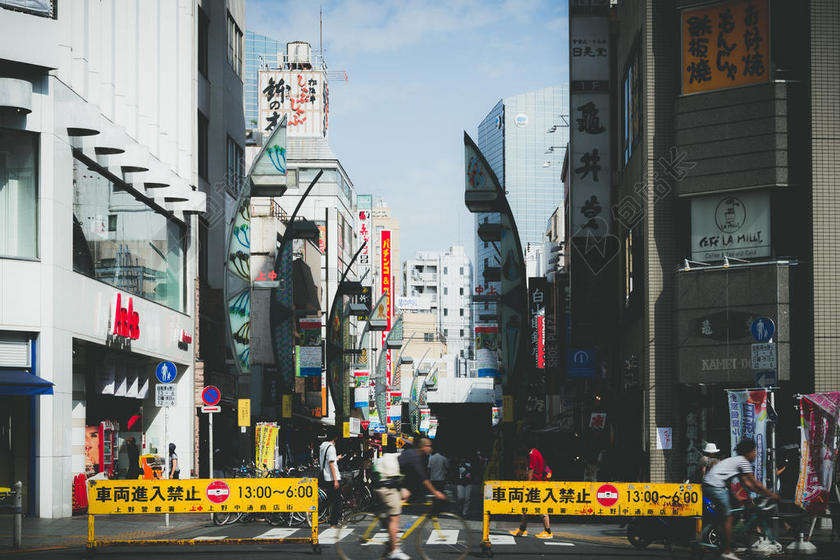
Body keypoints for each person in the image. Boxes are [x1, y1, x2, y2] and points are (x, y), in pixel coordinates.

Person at [703, 438, 779, 560]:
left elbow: (747, 484)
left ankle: (730, 537)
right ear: (747, 452)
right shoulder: (743, 461)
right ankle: (727, 551)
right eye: (754, 451)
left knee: (738, 506)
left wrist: (760, 493)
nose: (755, 454)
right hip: (715, 486)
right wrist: (771, 494)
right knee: (728, 516)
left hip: (710, 485)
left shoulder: (736, 461)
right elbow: (755, 482)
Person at [373, 440, 408, 560]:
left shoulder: (380, 459)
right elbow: (399, 477)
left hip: (379, 490)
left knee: (387, 517)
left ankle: (390, 544)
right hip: (389, 489)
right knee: (395, 518)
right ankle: (394, 550)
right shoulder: (397, 457)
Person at [510, 442, 552, 539]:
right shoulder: (536, 452)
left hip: (535, 484)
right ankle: (522, 529)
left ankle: (548, 531)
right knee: (526, 506)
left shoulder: (532, 454)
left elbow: (531, 470)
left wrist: (527, 484)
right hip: (536, 483)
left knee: (541, 508)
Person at [319, 428, 343, 528]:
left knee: (330, 499)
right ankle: (333, 523)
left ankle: (317, 512)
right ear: (335, 437)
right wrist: (336, 480)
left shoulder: (323, 446)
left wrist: (336, 458)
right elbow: (331, 464)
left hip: (325, 476)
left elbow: (328, 460)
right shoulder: (331, 447)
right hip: (331, 478)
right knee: (337, 501)